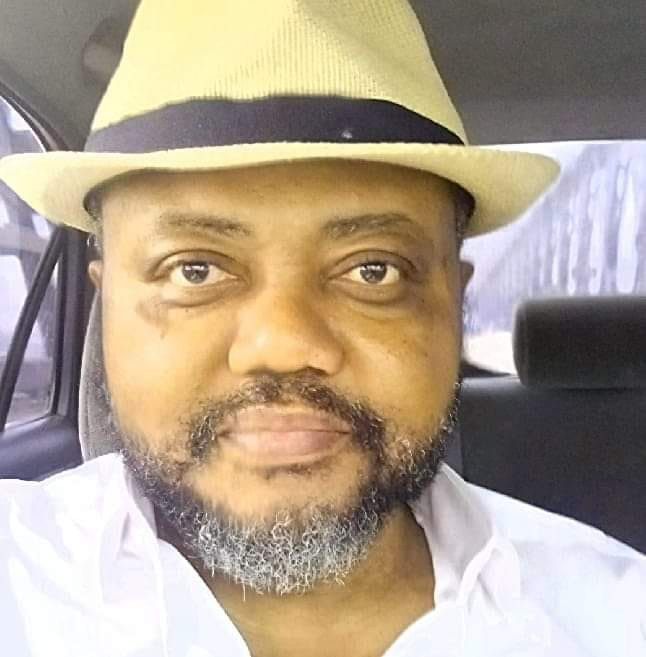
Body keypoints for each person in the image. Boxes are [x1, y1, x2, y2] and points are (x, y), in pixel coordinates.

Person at [0, 1, 644, 656]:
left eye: (372, 270)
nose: (283, 345)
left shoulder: (616, 619)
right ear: (107, 304)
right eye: (195, 270)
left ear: (455, 303)